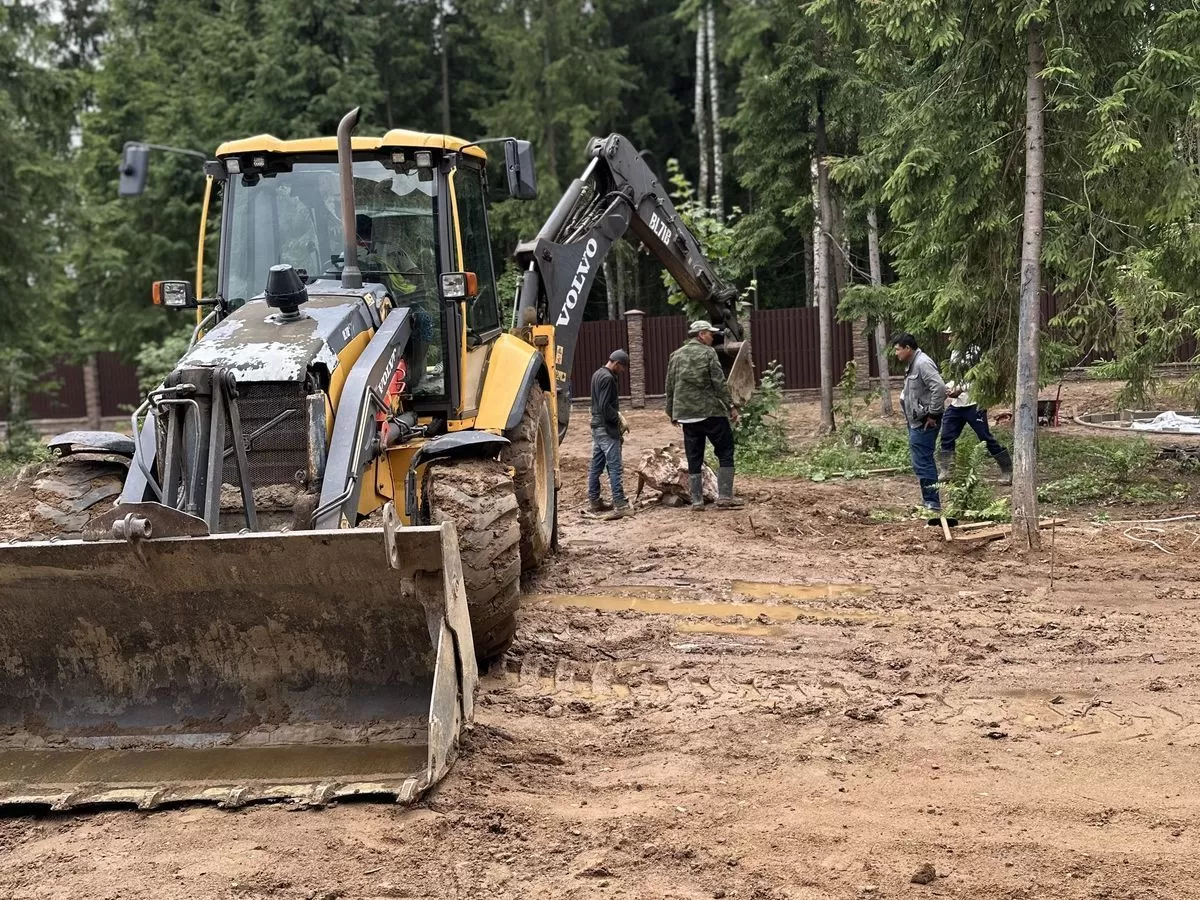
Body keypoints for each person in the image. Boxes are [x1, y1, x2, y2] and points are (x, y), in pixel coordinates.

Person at [664, 320, 744, 511]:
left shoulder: (675, 355)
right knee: (725, 451)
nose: (712, 336)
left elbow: (670, 385)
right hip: (710, 413)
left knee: (694, 456)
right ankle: (725, 497)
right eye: (710, 333)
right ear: (700, 335)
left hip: (687, 416)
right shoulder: (709, 353)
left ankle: (697, 501)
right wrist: (731, 406)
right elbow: (718, 383)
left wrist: (672, 412)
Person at [940, 333, 1013, 485]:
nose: (949, 338)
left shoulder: (974, 351)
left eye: (952, 335)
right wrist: (949, 387)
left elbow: (978, 377)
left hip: (974, 402)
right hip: (957, 404)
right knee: (947, 434)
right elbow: (957, 376)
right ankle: (947, 471)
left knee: (985, 437)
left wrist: (960, 389)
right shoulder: (955, 353)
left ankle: (1007, 470)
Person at [893, 332, 947, 512]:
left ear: (908, 348)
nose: (896, 353)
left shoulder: (922, 363)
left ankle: (932, 503)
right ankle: (928, 500)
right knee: (921, 461)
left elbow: (939, 387)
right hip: (916, 421)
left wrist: (933, 414)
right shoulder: (913, 363)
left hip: (925, 422)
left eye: (898, 349)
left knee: (923, 461)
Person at [588, 349, 633, 519]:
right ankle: (620, 504)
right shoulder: (607, 378)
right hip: (607, 429)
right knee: (614, 467)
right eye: (622, 368)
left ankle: (594, 501)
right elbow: (605, 406)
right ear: (616, 363)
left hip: (597, 427)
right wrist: (618, 419)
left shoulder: (597, 374)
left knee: (596, 466)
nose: (622, 371)